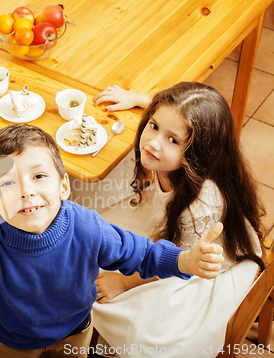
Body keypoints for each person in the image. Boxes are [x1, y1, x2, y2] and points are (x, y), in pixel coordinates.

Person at [0, 124, 225, 358]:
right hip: (12, 343)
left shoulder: (87, 226)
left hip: (76, 331)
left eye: (39, 176)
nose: (26, 191)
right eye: (6, 183)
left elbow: (140, 253)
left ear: (63, 186)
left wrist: (183, 261)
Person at [90, 82, 265, 357]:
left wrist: (123, 282)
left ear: (198, 153)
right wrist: (136, 98)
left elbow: (179, 261)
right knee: (91, 236)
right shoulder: (172, 149)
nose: (153, 143)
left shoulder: (201, 205)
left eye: (173, 140)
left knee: (142, 331)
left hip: (199, 261)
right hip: (169, 227)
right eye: (154, 126)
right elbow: (173, 114)